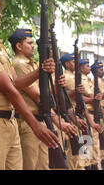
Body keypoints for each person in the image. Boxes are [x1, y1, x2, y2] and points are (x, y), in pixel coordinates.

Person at [0, 0, 59, 170]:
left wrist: (40, 71)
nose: (0, 14)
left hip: (8, 121)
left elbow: (15, 82)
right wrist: (35, 125)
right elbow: (9, 89)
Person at [9, 29, 76, 170]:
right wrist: (57, 120)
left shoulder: (31, 64)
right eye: (29, 43)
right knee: (30, 165)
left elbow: (46, 95)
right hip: (29, 123)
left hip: (41, 120)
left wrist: (57, 85)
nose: (33, 46)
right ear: (19, 46)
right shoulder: (19, 64)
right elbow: (38, 96)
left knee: (43, 165)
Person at [62, 55, 102, 170]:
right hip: (73, 116)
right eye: (73, 62)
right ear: (66, 64)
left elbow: (82, 100)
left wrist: (91, 122)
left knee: (85, 149)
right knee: (76, 152)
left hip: (81, 116)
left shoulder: (75, 77)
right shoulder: (67, 77)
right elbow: (66, 98)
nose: (76, 64)